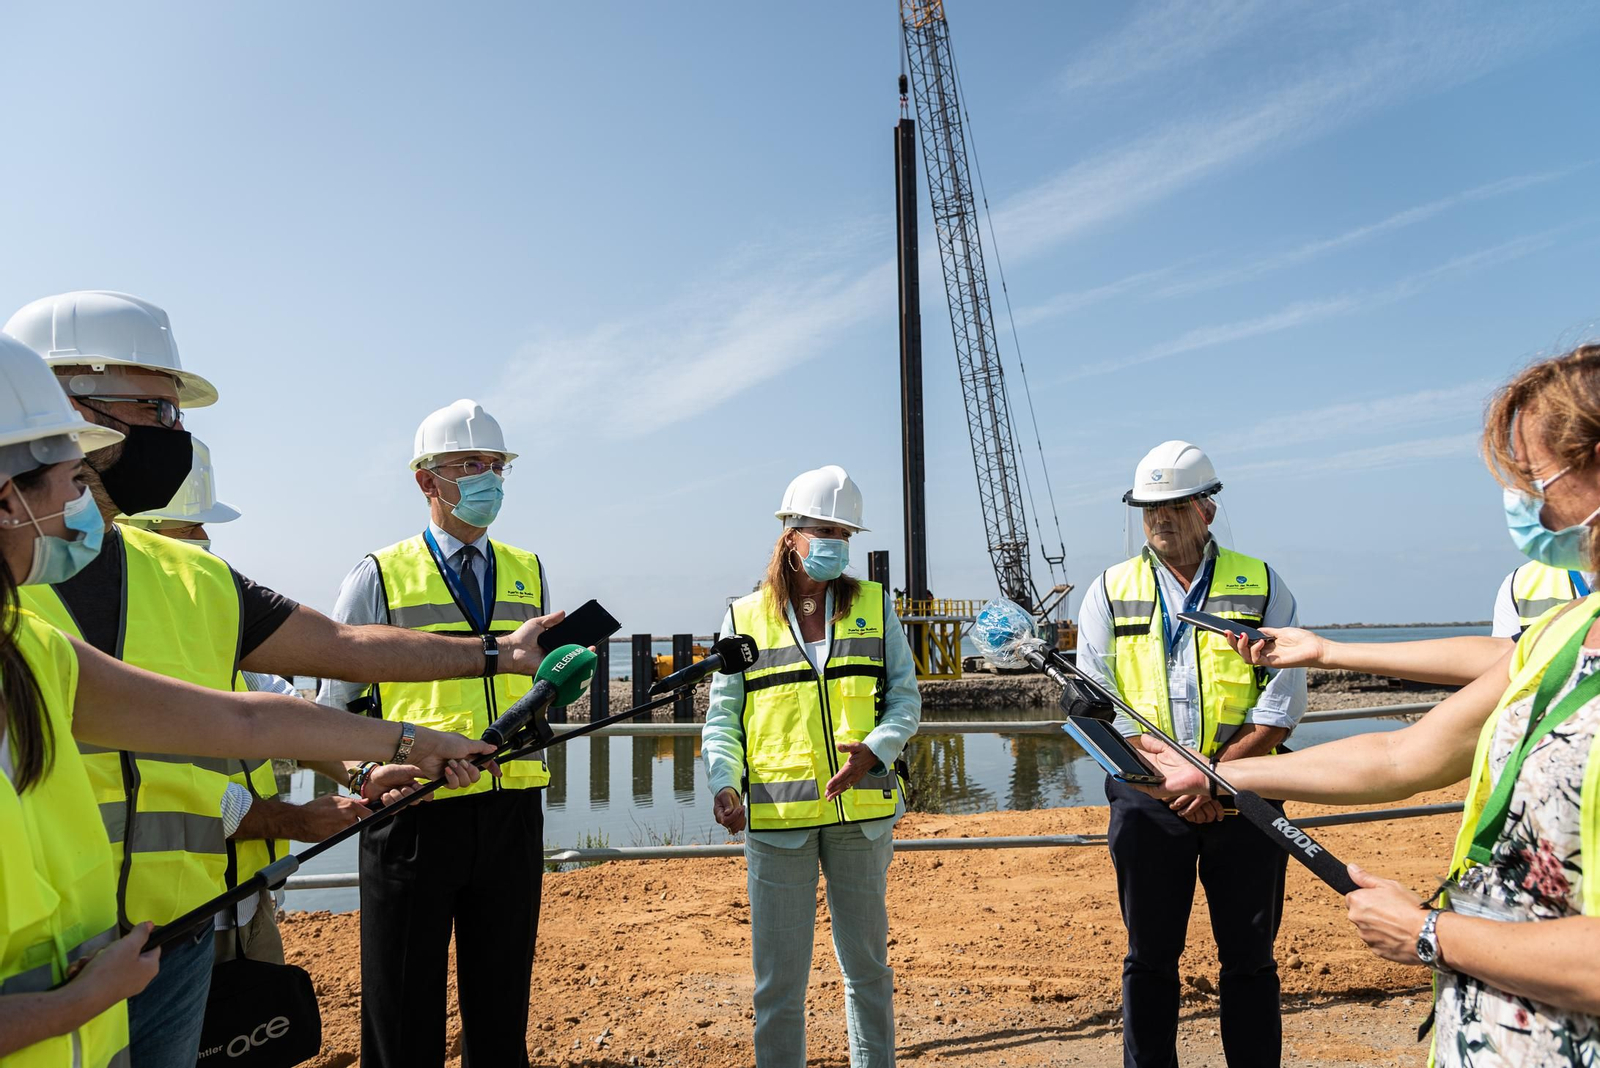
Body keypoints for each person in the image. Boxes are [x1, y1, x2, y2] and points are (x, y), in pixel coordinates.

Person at [2, 291, 561, 1066]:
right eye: (156, 412)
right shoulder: (28, 626)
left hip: (168, 934)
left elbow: (263, 709)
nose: (175, 435)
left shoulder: (96, 617)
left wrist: (425, 723)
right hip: (50, 958)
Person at [1135, 344, 1600, 1066]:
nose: (1526, 502)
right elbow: (1399, 753)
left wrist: (1430, 935)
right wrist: (1218, 773)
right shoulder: (1565, 634)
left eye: (1533, 474)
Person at [316, 399, 553, 1068]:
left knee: (501, 1013)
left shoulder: (529, 568)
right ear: (427, 480)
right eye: (471, 464)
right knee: (401, 1016)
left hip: (510, 810)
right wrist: (367, 776)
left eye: (497, 464)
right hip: (413, 816)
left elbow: (532, 683)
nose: (489, 478)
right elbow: (332, 710)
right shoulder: (378, 575)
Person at [1075, 440, 1306, 1068]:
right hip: (1149, 799)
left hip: (1244, 796)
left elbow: (1281, 701)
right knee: (1149, 959)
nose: (1160, 518)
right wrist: (1172, 781)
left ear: (1207, 508)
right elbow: (1099, 700)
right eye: (1149, 507)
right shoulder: (1108, 590)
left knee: (1250, 960)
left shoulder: (1261, 584)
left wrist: (1214, 779)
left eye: (1175, 505)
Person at [702, 465, 921, 1068]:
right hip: (778, 822)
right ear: (790, 536)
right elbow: (722, 719)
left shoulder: (874, 605)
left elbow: (905, 699)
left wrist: (877, 748)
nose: (837, 544)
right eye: (826, 531)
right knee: (778, 984)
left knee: (868, 971)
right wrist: (724, 783)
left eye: (845, 534)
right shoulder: (745, 618)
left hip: (862, 816)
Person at [120, 437, 351, 968]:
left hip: (244, 901)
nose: (204, 541)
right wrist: (294, 821)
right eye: (188, 529)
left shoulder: (209, 625)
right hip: (160, 924)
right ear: (136, 535)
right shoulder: (115, 646)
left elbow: (287, 714)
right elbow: (170, 789)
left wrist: (362, 771)